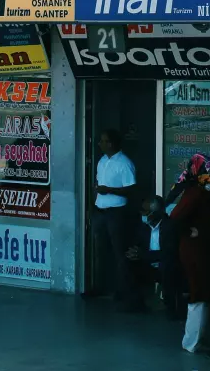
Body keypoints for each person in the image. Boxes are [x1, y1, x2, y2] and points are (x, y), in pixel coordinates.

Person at [171, 154, 210, 353]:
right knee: (197, 291)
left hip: (202, 249)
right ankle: (191, 341)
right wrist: (188, 231)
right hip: (194, 250)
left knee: (203, 291)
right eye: (208, 174)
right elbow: (175, 217)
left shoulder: (203, 192)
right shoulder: (195, 193)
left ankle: (198, 337)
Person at [86, 128, 139, 308]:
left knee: (119, 253)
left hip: (116, 212)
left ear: (111, 143)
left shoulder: (124, 163)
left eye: (103, 141)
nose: (99, 144)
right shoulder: (102, 161)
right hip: (100, 211)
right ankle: (101, 287)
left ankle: (123, 291)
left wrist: (109, 190)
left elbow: (131, 189)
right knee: (100, 252)